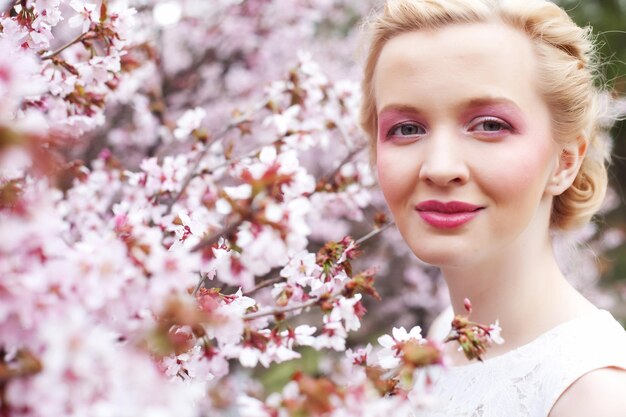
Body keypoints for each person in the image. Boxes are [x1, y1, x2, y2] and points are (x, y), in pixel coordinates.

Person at [359, 0, 626, 415]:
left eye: (489, 125)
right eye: (407, 129)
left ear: (565, 161)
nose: (440, 167)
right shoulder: (446, 331)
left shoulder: (595, 395)